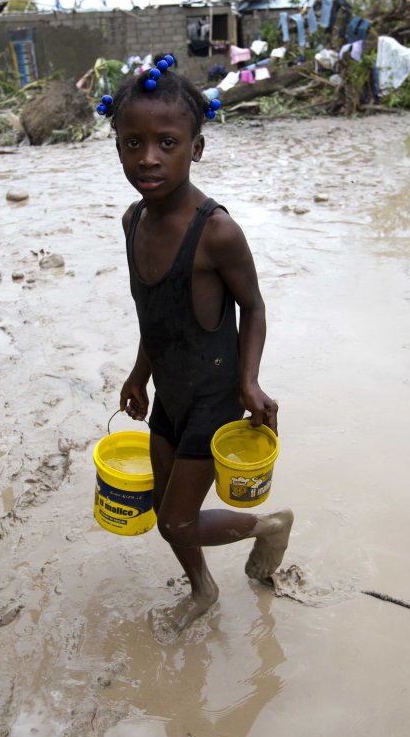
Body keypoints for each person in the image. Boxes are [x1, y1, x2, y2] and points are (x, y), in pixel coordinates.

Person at [97, 56, 294, 641]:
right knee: (166, 516)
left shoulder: (217, 232)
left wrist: (250, 382)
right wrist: (138, 375)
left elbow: (254, 307)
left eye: (166, 142)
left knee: (176, 519)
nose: (148, 158)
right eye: (133, 143)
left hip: (213, 396)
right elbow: (155, 315)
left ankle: (263, 530)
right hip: (168, 393)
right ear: (118, 148)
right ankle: (203, 581)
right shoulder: (133, 222)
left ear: (196, 148)